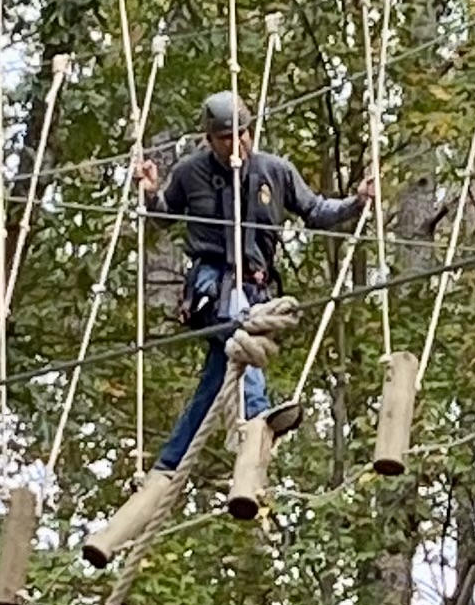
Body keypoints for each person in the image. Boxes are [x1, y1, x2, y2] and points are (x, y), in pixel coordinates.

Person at [139, 92, 371, 475]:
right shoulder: (190, 172)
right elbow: (163, 217)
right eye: (226, 137)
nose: (237, 144)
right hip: (211, 285)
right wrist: (150, 194)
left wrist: (356, 202)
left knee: (217, 376)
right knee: (239, 326)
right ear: (209, 139)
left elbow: (315, 211)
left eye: (242, 134)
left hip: (256, 285)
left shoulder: (274, 171)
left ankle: (170, 461)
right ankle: (259, 412)